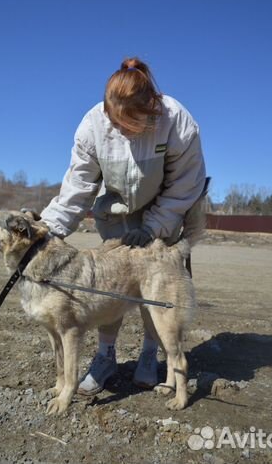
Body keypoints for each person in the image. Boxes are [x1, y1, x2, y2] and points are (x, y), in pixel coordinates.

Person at [41, 57, 206, 395]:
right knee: (111, 286)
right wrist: (48, 229)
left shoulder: (177, 121)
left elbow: (186, 184)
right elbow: (78, 186)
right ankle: (105, 357)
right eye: (113, 122)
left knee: (155, 291)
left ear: (151, 108)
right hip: (114, 215)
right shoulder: (92, 125)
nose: (118, 130)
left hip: (162, 215)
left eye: (128, 124)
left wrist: (154, 226)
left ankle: (149, 355)